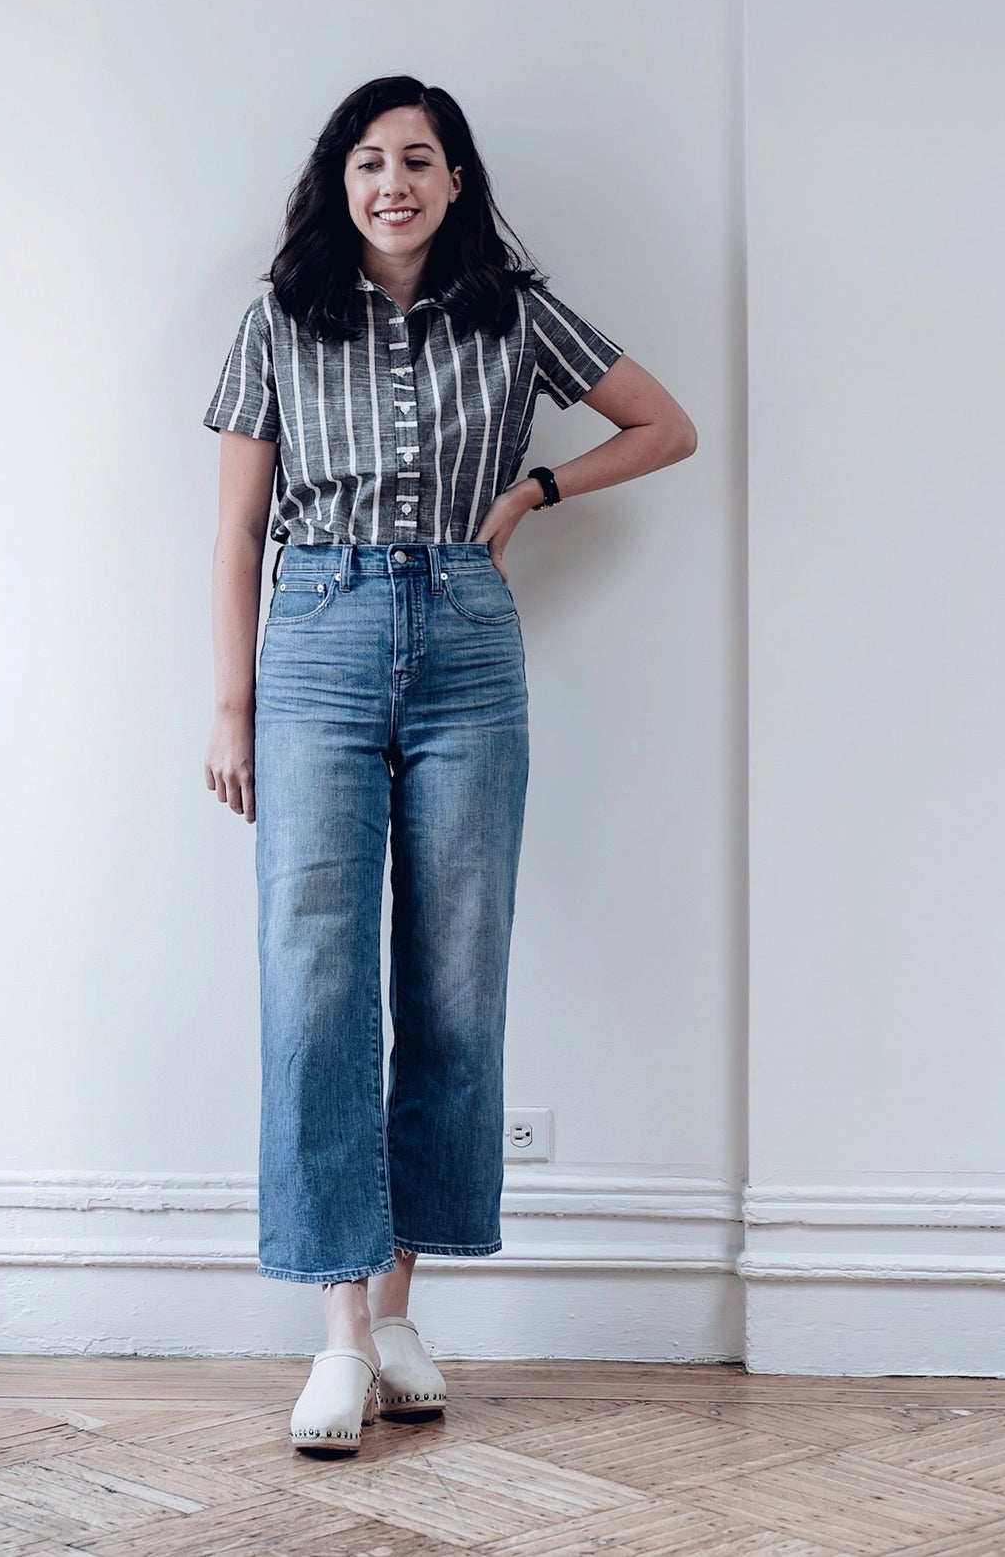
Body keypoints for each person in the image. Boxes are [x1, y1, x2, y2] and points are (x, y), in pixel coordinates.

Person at [202, 75, 697, 1455]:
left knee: (453, 971)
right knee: (312, 977)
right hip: (314, 637)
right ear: (337, 180)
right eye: (367, 161)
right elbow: (240, 533)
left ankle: (404, 1304)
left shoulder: (515, 308)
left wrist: (534, 491)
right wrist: (230, 705)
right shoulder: (277, 317)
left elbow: (665, 425)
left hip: (469, 643)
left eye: (416, 159)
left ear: (455, 177)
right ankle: (339, 1338)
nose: (392, 182)